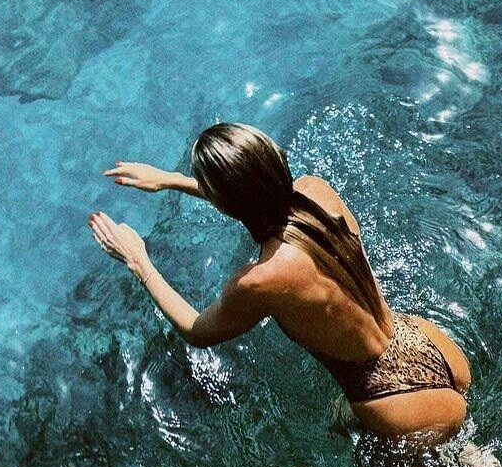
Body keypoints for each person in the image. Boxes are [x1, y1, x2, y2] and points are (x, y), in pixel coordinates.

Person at [88, 122, 471, 444]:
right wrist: (171, 181)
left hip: (395, 402)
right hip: (427, 345)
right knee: (471, 458)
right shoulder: (317, 191)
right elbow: (259, 195)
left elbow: (197, 331)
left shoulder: (259, 280)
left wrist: (138, 262)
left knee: (352, 438)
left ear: (223, 202)